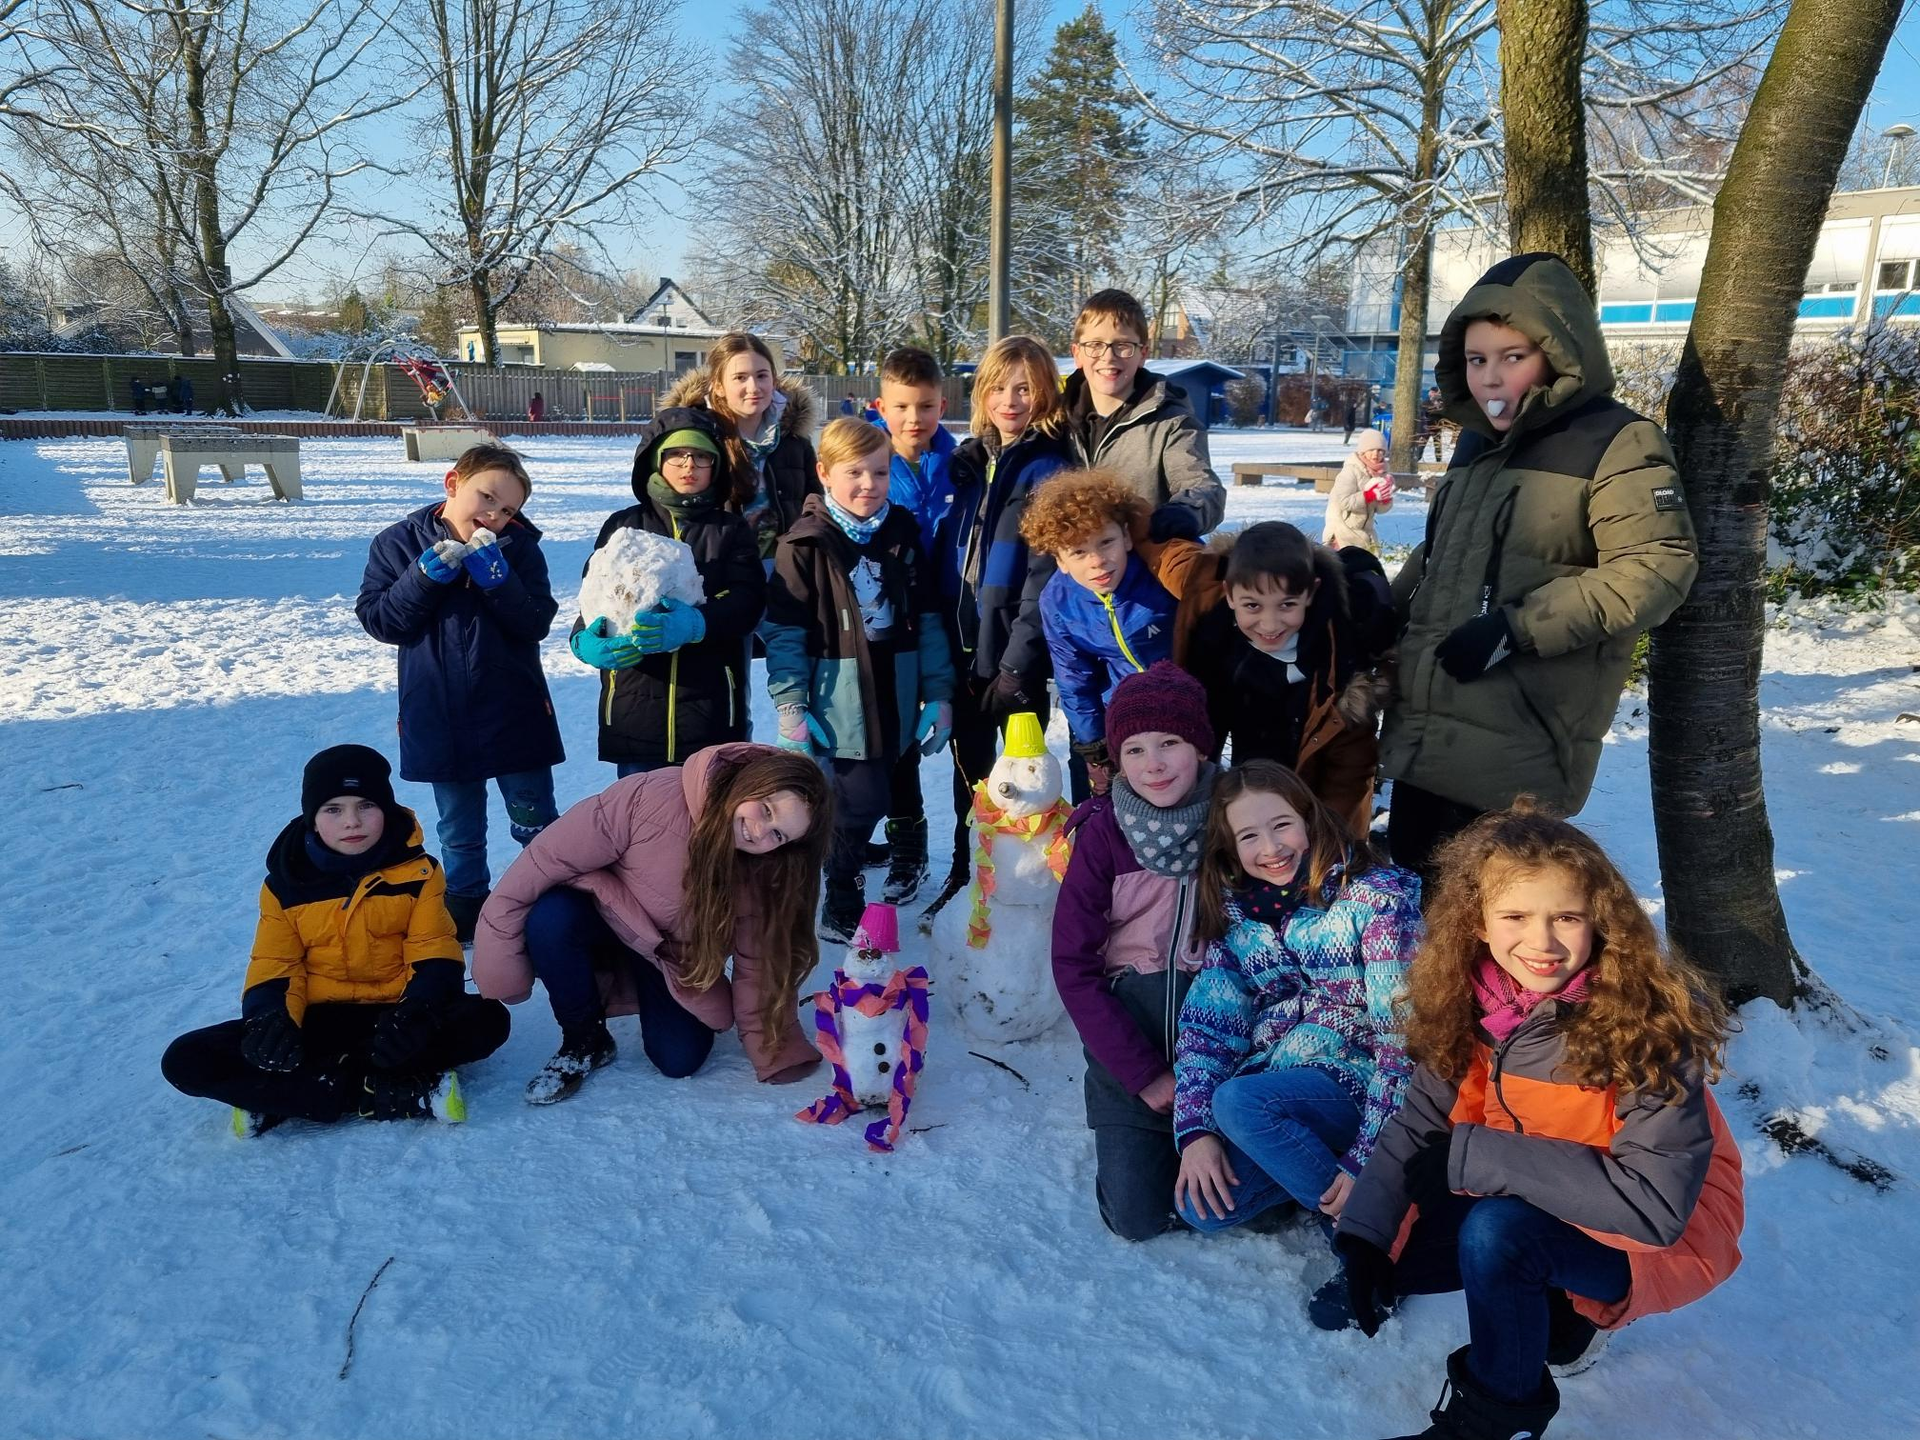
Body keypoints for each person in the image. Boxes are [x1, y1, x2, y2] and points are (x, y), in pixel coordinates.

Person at [1332, 806, 1742, 1440]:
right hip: (1541, 1186)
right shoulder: (1468, 1005)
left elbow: (1655, 1209)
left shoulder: (1643, 1028)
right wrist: (1365, 1239)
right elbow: (1418, 1128)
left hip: (1661, 1234)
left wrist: (1475, 1158)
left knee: (1496, 1233)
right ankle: (1561, 1315)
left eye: (1566, 917)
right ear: (1478, 921)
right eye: (1515, 917)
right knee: (1404, 1248)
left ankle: (1491, 1423)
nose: (1542, 942)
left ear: (1599, 920)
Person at [1381, 251, 1699, 885]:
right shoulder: (1477, 443)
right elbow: (1441, 554)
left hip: (1521, 734)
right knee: (1415, 894)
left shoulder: (1615, 440)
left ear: (1557, 352)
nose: (1490, 378)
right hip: (1427, 730)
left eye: (1512, 357)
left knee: (1495, 913)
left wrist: (1516, 628)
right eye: (1476, 360)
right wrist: (1380, 611)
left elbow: (1657, 566)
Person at [161, 745, 510, 1133]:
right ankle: (384, 1091)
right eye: (333, 809)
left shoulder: (420, 873)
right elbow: (276, 963)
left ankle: (287, 1096)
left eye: (366, 805)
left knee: (488, 1020)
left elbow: (433, 949)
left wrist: (419, 1010)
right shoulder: (285, 884)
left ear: (386, 809)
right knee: (186, 1059)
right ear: (312, 818)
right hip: (318, 1021)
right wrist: (268, 1021)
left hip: (394, 1016)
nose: (352, 821)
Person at [473, 745, 832, 1102]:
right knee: (551, 917)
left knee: (679, 1059)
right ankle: (584, 1039)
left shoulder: (766, 872)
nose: (760, 831)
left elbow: (761, 964)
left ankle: (650, 1000)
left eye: (778, 835)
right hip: (604, 919)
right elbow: (541, 863)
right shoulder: (650, 797)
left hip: (668, 959)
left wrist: (776, 1050)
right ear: (751, 782)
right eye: (766, 809)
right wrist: (498, 966)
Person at [1171, 762, 1423, 1252]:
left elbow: (1406, 1039)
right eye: (1249, 836)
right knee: (1204, 1207)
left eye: (1282, 824)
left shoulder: (1373, 900)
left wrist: (1370, 1156)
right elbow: (1208, 1031)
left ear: (1309, 819)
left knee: (1241, 1103)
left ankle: (1365, 1234)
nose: (1270, 848)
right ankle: (1334, 1184)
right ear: (1230, 848)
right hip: (1282, 1086)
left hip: (1363, 1081)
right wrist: (1196, 1132)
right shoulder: (1238, 920)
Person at [355, 444, 563, 943]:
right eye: (486, 497)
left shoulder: (519, 548)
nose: (494, 515)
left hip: (513, 713)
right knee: (458, 829)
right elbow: (381, 621)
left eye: (507, 509)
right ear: (452, 483)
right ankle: (467, 905)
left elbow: (535, 622)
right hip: (439, 714)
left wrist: (500, 582)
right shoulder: (396, 544)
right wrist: (422, 578)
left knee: (535, 819)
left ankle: (553, 900)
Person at [762, 418, 955, 940]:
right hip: (842, 696)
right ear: (824, 473)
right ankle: (841, 897)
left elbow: (928, 621)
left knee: (902, 776)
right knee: (858, 799)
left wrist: (938, 694)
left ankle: (908, 855)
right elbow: (785, 634)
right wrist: (790, 703)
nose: (869, 484)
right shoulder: (804, 545)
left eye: (880, 472)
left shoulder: (903, 533)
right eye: (854, 473)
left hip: (900, 686)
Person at [1051, 662, 1218, 1241]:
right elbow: (1073, 966)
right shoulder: (1103, 834)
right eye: (1135, 749)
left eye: (1170, 743)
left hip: (1220, 1044)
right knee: (1136, 1216)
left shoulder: (1235, 821)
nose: (1154, 763)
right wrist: (1142, 1074)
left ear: (1199, 746)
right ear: (1117, 760)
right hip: (1132, 1043)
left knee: (1246, 1205)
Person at [926, 334, 1075, 900]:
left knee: (1021, 777)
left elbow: (1046, 577)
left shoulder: (1049, 468)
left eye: (1025, 389)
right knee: (969, 774)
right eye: (998, 388)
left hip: (1014, 659)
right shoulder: (971, 465)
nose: (1010, 401)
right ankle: (965, 873)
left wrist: (1017, 663)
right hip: (963, 650)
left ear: (1046, 395)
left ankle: (1019, 886)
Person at [568, 407, 765, 777]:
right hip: (635, 719)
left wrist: (696, 623)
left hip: (710, 718)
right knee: (643, 812)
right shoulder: (624, 525)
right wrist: (584, 640)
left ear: (716, 465)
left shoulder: (730, 530)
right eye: (676, 454)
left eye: (701, 456)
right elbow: (594, 597)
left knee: (710, 813)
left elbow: (748, 601)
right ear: (656, 460)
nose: (689, 464)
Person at [1175, 521, 1396, 839]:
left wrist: (1329, 844)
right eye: (1253, 605)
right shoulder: (1216, 641)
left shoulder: (1338, 657)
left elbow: (1351, 767)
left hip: (1319, 794)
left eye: (1287, 605)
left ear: (1311, 593)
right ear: (1229, 594)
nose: (1269, 624)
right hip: (1253, 776)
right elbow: (1162, 554)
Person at [1021, 469, 1199, 802]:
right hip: (1129, 717)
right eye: (1078, 552)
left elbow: (1206, 589)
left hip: (1192, 705)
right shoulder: (1059, 602)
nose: (1098, 561)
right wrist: (1094, 748)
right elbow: (1074, 679)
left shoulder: (1158, 572)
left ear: (1127, 538)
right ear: (1060, 560)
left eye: (1106, 542)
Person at [868, 345, 958, 902]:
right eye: (901, 406)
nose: (914, 418)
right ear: (881, 406)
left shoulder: (962, 464)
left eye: (925, 406)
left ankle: (910, 845)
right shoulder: (870, 462)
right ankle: (855, 837)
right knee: (878, 735)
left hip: (946, 618)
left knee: (911, 743)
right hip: (883, 625)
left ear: (942, 406)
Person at [1061, 288, 1225, 542]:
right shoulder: (1055, 420)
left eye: (1123, 346)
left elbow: (1202, 486)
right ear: (1077, 354)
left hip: (1143, 560)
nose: (1108, 357)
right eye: (1095, 345)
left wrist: (1184, 513)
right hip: (1068, 562)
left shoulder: (1171, 424)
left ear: (1143, 354)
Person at [661, 332, 819, 565]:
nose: (753, 387)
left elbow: (814, 508)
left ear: (774, 380)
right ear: (719, 386)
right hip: (718, 571)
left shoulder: (794, 442)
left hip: (786, 572)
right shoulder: (697, 441)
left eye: (761, 375)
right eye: (740, 378)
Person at [1323, 427, 1396, 554]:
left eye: (1380, 450)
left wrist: (1385, 500)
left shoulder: (1382, 474)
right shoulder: (1350, 471)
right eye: (1371, 450)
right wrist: (1368, 496)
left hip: (1365, 532)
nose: (1375, 454)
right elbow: (1344, 501)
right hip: (1342, 531)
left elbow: (1380, 510)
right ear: (1363, 451)